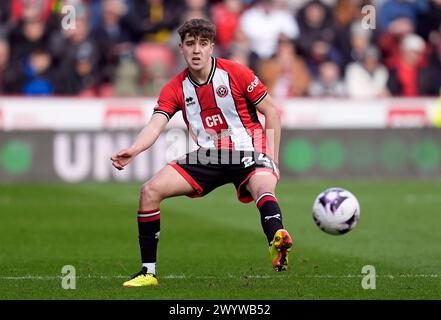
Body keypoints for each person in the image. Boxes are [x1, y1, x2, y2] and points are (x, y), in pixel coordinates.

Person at [111, 18, 293, 287]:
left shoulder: (237, 73)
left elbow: (271, 112)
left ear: (212, 48)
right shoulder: (175, 87)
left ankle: (276, 242)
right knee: (149, 191)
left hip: (248, 149)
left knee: (263, 187)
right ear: (181, 48)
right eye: (190, 44)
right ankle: (148, 272)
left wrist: (272, 158)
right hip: (209, 155)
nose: (196, 50)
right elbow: (155, 125)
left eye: (203, 44)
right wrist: (135, 149)